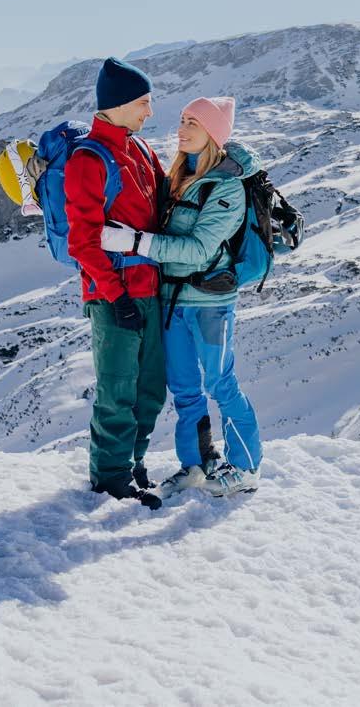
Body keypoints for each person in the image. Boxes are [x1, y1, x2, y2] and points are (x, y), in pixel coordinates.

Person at [100, 95, 263, 498]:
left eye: (193, 122)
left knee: (221, 384)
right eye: (183, 119)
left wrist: (135, 242)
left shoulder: (226, 188)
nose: (182, 129)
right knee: (185, 389)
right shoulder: (177, 178)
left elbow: (198, 250)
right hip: (172, 300)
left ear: (213, 133)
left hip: (210, 304)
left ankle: (246, 468)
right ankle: (195, 464)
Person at [64, 56, 167, 509]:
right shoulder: (89, 159)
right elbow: (82, 241)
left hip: (152, 289)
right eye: (144, 102)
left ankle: (133, 464)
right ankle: (110, 479)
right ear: (120, 104)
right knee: (118, 390)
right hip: (115, 296)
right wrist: (115, 295)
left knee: (150, 387)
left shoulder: (140, 149)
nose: (149, 111)